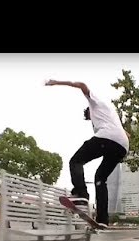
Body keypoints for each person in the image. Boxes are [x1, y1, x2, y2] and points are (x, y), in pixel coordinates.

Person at [45, 79, 129, 228]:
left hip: (107, 138)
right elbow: (124, 133)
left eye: (88, 116)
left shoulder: (94, 102)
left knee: (76, 161)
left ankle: (81, 193)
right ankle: (103, 220)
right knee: (100, 178)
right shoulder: (111, 115)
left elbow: (82, 85)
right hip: (122, 146)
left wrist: (56, 82)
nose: (90, 119)